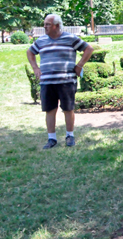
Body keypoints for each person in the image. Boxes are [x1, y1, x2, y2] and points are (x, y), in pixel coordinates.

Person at [26, 14, 94, 149]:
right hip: (47, 82)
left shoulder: (70, 38)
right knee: (50, 110)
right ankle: (52, 139)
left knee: (68, 109)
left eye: (48, 24)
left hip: (66, 81)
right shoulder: (41, 40)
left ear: (56, 25)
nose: (45, 26)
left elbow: (89, 49)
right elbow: (30, 52)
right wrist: (35, 68)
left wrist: (79, 65)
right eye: (45, 24)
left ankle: (70, 136)